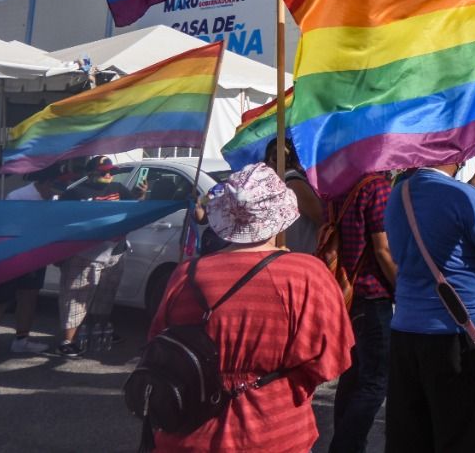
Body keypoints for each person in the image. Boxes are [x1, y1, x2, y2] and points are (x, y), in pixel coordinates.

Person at [148, 162, 352, 452]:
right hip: (274, 433)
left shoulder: (186, 273)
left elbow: (157, 344)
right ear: (280, 217)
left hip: (186, 432)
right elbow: (331, 359)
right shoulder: (306, 274)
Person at [384, 162, 475, 452]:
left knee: (412, 437)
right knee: (467, 435)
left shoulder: (398, 194)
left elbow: (395, 250)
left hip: (406, 330)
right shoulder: (462, 195)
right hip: (459, 333)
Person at [326, 171, 397, 453]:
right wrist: (402, 288)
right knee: (376, 382)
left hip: (347, 290)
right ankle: (346, 446)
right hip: (374, 292)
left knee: (353, 374)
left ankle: (345, 444)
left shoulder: (338, 185)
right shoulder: (377, 188)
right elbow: (383, 250)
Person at [56, 155, 146, 357]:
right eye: (103, 171)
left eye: (111, 171)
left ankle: (100, 330)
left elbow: (133, 211)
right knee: (76, 298)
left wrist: (141, 196)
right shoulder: (74, 193)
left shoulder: (119, 189)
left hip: (116, 251)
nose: (108, 174)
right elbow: (60, 221)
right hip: (84, 253)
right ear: (90, 173)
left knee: (106, 295)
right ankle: (67, 340)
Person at [0, 167, 63, 366]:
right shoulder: (18, 196)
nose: (56, 191)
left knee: (29, 296)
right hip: (12, 255)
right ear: (45, 183)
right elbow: (6, 227)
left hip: (35, 256)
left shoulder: (55, 200)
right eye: (54, 186)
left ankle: (21, 341)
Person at [269, 138, 322, 255]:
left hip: (290, 252)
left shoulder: (280, 181)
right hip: (303, 253)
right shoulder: (294, 182)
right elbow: (322, 218)